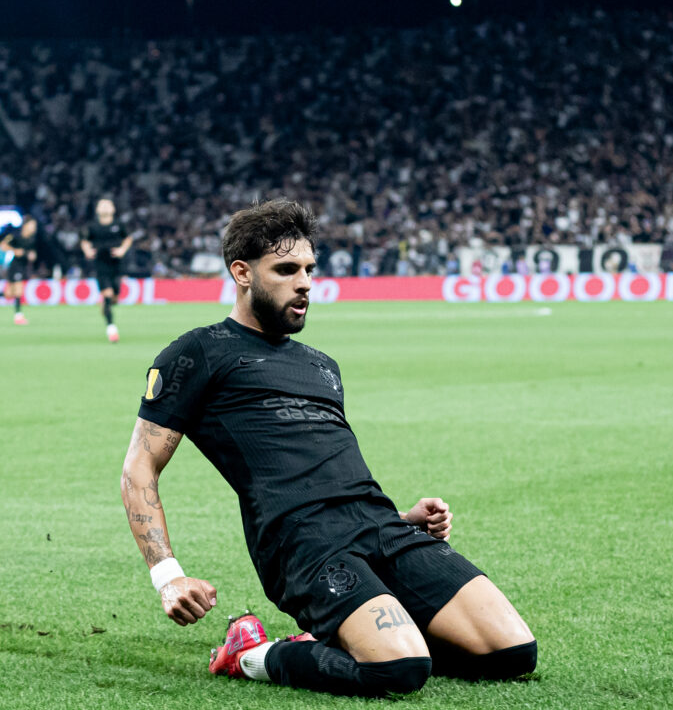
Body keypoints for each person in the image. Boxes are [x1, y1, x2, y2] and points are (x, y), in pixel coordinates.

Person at [120, 200, 536, 697]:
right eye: (286, 269)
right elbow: (139, 468)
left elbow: (324, 467)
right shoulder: (200, 353)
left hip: (380, 527)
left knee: (512, 653)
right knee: (399, 670)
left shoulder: (322, 366)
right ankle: (250, 654)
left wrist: (402, 519)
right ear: (242, 273)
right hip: (303, 544)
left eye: (310, 269)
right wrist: (168, 576)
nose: (304, 283)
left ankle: (358, 634)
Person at [81, 198, 132, 342]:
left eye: (107, 205)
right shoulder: (93, 226)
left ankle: (106, 304)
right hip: (101, 264)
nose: (104, 207)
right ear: (97, 210)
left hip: (116, 264)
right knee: (108, 294)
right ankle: (112, 329)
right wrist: (87, 250)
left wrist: (122, 249)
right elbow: (84, 240)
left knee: (114, 298)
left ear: (113, 209)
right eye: (101, 205)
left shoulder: (118, 224)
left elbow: (128, 238)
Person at [0, 215, 37, 325]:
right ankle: (18, 316)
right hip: (15, 266)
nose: (34, 228)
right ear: (26, 225)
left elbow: (29, 252)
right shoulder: (15, 235)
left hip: (23, 266)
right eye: (32, 225)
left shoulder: (31, 239)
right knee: (19, 291)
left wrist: (31, 255)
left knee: (9, 294)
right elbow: (2, 246)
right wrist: (15, 251)